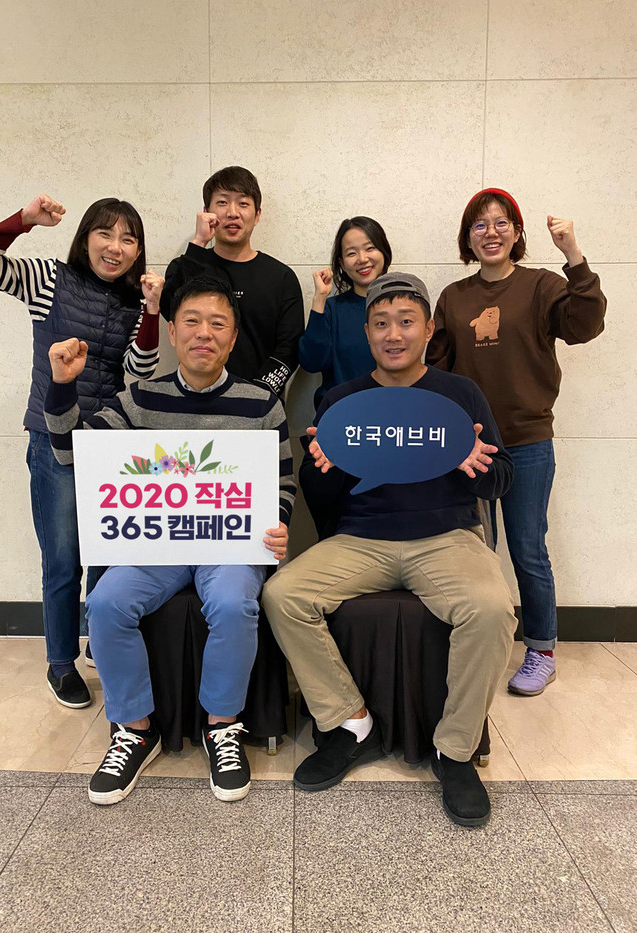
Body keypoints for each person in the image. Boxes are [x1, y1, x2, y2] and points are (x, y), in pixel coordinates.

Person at [262, 272, 517, 827]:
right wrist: (323, 469)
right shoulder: (342, 400)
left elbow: (501, 479)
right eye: (381, 323)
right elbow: (320, 499)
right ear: (367, 332)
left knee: (492, 608)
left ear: (428, 328)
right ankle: (351, 724)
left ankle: (455, 751)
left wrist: (472, 465)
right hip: (362, 540)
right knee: (283, 594)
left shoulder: (460, 395)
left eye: (406, 322)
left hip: (446, 538)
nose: (393, 334)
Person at [44, 274, 295, 805]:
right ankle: (135, 730)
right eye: (192, 322)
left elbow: (282, 483)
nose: (204, 333)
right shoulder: (138, 400)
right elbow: (72, 453)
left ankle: (222, 726)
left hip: (228, 545)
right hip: (156, 545)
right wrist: (62, 385)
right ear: (173, 333)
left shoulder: (261, 405)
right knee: (105, 603)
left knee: (233, 603)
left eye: (218, 324)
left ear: (232, 338)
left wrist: (277, 524)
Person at [0, 194, 163, 709]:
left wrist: (152, 310)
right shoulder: (50, 279)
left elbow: (139, 371)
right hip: (53, 439)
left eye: (128, 239)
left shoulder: (134, 300)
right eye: (105, 234)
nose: (116, 247)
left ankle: (98, 638)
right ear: (85, 238)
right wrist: (23, 220)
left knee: (110, 552)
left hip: (110, 442)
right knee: (64, 558)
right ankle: (60, 663)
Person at [426, 188, 607, 697]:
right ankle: (475, 643)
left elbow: (586, 325)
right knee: (475, 550)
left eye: (501, 222)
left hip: (528, 441)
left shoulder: (542, 285)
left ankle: (541, 651)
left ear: (517, 232)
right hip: (471, 447)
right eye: (479, 224)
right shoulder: (454, 297)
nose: (491, 232)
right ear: (467, 237)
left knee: (528, 548)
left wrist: (573, 254)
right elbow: (437, 368)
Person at [159, 165, 304, 395]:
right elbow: (169, 309)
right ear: (206, 211)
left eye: (243, 203)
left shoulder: (281, 277)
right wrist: (198, 242)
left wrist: (256, 395)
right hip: (193, 399)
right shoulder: (186, 265)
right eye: (222, 202)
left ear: (257, 215)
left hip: (259, 403)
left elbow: (290, 348)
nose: (232, 212)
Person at [299, 216, 392, 410]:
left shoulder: (403, 306)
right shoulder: (332, 309)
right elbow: (312, 362)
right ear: (341, 263)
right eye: (351, 253)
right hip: (339, 415)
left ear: (383, 252)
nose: (362, 259)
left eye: (370, 248)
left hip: (391, 412)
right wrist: (319, 298)